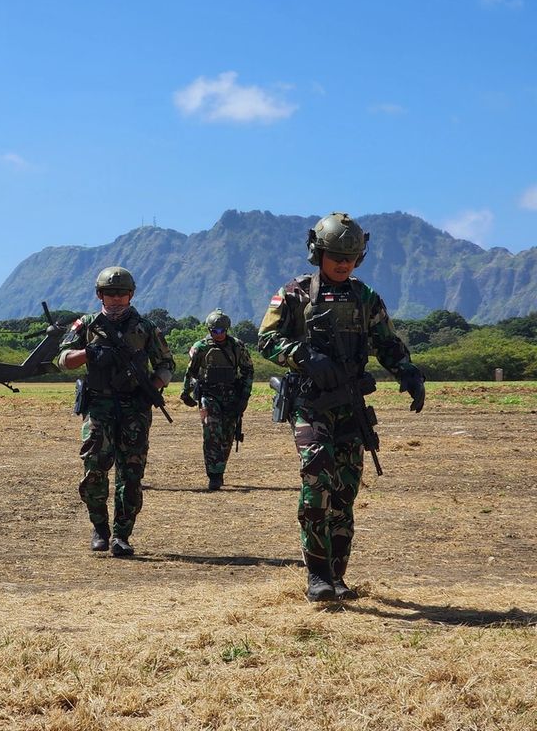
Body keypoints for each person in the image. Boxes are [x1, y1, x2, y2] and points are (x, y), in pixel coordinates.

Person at [258, 212, 426, 602]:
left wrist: (408, 372)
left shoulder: (365, 297)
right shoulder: (295, 292)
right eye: (336, 254)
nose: (343, 262)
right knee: (317, 481)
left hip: (351, 406)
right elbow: (266, 340)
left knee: (345, 492)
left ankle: (337, 576)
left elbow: (387, 342)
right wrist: (303, 356)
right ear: (318, 252)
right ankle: (316, 575)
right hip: (311, 404)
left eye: (351, 256)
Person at [57, 266, 175, 557]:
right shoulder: (85, 325)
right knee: (94, 468)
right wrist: (89, 353)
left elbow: (167, 364)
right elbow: (61, 360)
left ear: (132, 294)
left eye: (122, 293)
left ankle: (122, 535)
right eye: (110, 293)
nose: (117, 299)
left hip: (135, 407)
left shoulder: (146, 328)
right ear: (99, 294)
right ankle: (99, 528)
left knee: (131, 473)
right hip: (99, 406)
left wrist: (151, 387)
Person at [180, 309, 253, 491]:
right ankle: (214, 475)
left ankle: (220, 469)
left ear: (227, 329)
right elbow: (191, 372)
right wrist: (185, 392)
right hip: (208, 396)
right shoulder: (201, 347)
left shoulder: (237, 346)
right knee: (212, 432)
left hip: (231, 397)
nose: (218, 334)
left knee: (227, 436)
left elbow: (248, 371)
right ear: (209, 330)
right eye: (215, 331)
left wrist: (244, 396)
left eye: (221, 331)